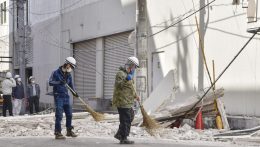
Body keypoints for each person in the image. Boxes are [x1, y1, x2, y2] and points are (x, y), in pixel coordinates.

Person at [112, 56, 140, 144]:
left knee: (130, 116)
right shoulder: (120, 74)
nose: (134, 69)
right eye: (134, 67)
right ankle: (124, 138)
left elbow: (131, 88)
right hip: (122, 101)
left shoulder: (130, 75)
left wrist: (136, 95)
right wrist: (126, 79)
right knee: (125, 119)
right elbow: (119, 85)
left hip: (128, 101)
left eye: (135, 67)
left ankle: (120, 134)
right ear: (130, 65)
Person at [49, 57, 78, 139]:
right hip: (58, 96)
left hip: (66, 96)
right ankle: (57, 133)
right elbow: (50, 82)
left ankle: (69, 131)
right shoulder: (55, 72)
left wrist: (74, 93)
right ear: (67, 64)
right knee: (59, 115)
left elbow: (71, 86)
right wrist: (59, 82)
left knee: (69, 114)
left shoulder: (69, 75)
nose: (72, 69)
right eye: (71, 67)